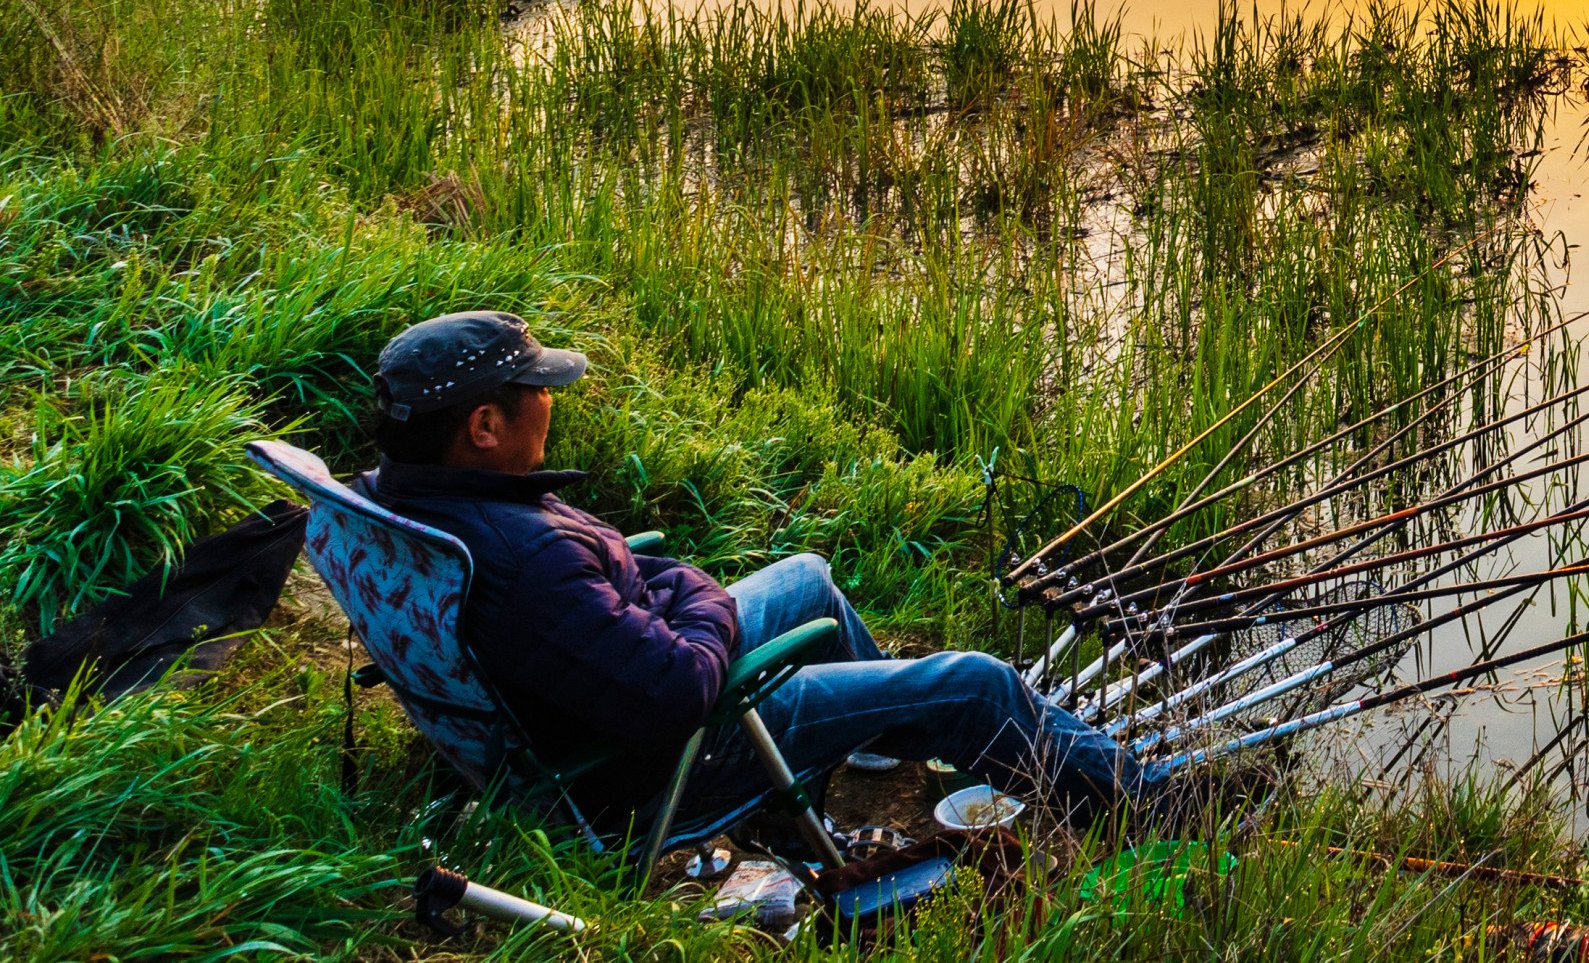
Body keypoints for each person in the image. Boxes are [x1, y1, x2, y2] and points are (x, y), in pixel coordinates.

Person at [362, 310, 1145, 809]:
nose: (552, 397)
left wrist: (672, 595)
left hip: (594, 684)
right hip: (660, 763)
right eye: (535, 386)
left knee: (807, 575)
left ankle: (872, 745)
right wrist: (708, 605)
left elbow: (606, 598)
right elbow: (678, 689)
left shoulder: (405, 497)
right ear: (485, 425)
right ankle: (1152, 802)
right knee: (975, 683)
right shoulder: (524, 557)